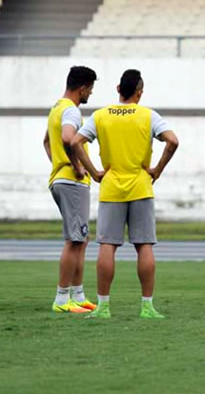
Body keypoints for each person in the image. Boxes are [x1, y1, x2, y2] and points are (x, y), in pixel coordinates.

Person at [72, 69, 179, 319]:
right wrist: (157, 170)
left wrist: (94, 172)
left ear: (118, 89)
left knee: (107, 246)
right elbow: (172, 141)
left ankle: (104, 307)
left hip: (111, 186)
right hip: (141, 185)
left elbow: (75, 141)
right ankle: (147, 306)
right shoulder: (148, 116)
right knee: (144, 246)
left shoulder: (101, 116)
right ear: (139, 93)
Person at [43, 66, 98, 314]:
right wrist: (74, 166)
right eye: (91, 88)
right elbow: (67, 138)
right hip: (72, 182)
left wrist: (59, 164)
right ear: (83, 87)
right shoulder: (72, 111)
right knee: (74, 240)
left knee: (81, 239)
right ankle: (62, 299)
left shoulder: (57, 107)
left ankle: (78, 295)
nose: (91, 93)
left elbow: (47, 141)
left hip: (61, 179)